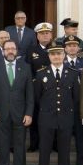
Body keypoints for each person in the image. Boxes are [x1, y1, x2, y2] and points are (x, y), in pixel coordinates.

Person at [34, 44, 80, 165]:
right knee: (44, 151)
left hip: (65, 118)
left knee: (64, 152)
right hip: (46, 118)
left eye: (59, 54)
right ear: (49, 57)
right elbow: (37, 97)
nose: (56, 57)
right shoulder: (41, 74)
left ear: (64, 55)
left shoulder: (73, 73)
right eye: (53, 54)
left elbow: (76, 97)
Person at [0, 40, 33, 165]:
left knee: (20, 147)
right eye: (7, 49)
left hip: (20, 115)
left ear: (17, 51)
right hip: (1, 114)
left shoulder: (25, 67)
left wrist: (29, 113)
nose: (10, 51)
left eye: (12, 49)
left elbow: (30, 94)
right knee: (4, 147)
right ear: (2, 51)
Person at [25, 22, 55, 152]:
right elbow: (28, 70)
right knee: (36, 116)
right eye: (42, 34)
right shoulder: (31, 50)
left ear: (51, 35)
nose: (45, 35)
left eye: (47, 33)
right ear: (37, 36)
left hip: (53, 89)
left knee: (53, 117)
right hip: (36, 89)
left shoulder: (56, 49)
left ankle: (54, 144)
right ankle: (34, 143)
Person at [64, 35, 83, 165]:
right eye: (69, 45)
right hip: (65, 102)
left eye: (74, 45)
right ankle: (64, 161)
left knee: (80, 134)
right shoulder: (60, 62)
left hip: (80, 102)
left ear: (78, 48)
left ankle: (81, 160)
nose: (72, 48)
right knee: (65, 134)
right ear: (65, 48)